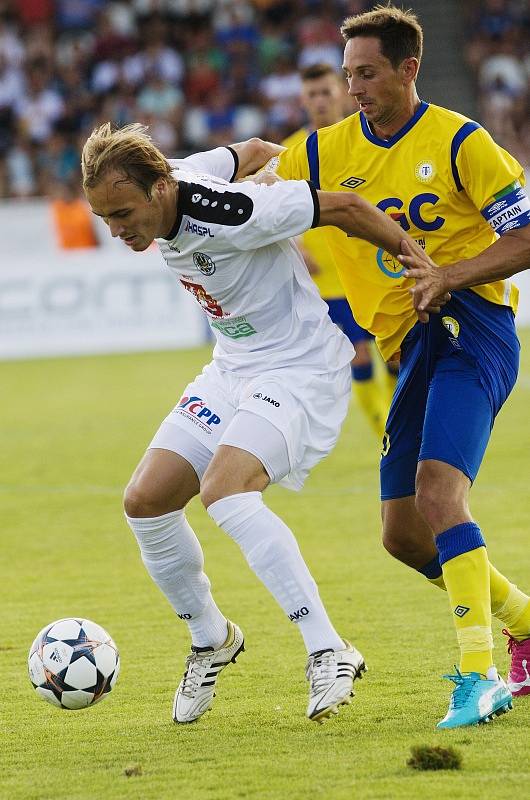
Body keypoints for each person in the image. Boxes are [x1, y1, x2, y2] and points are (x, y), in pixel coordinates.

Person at [81, 122, 414, 724]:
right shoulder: (176, 173)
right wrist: (271, 163)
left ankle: (328, 649)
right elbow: (255, 150)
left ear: (159, 189)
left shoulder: (234, 213)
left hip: (298, 367)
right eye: (105, 218)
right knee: (145, 501)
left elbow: (343, 206)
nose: (118, 230)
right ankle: (212, 639)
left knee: (226, 492)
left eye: (123, 213)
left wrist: (415, 261)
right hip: (231, 368)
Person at [274, 5, 530, 729]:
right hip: (410, 344)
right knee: (403, 534)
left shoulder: (461, 142)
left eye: (368, 74)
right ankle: (525, 625)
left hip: (471, 325)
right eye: (348, 73)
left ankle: (478, 678)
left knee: (440, 496)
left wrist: (453, 273)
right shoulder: (324, 152)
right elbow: (264, 166)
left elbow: (527, 235)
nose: (354, 87)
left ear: (408, 69)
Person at [283, 62, 397, 439]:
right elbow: (275, 206)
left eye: (325, 92)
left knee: (395, 353)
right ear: (303, 100)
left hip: (374, 268)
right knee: (359, 357)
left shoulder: (367, 140)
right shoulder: (292, 151)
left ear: (341, 92)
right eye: (311, 94)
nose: (319, 101)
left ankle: (407, 422)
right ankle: (387, 431)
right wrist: (296, 244)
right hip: (329, 280)